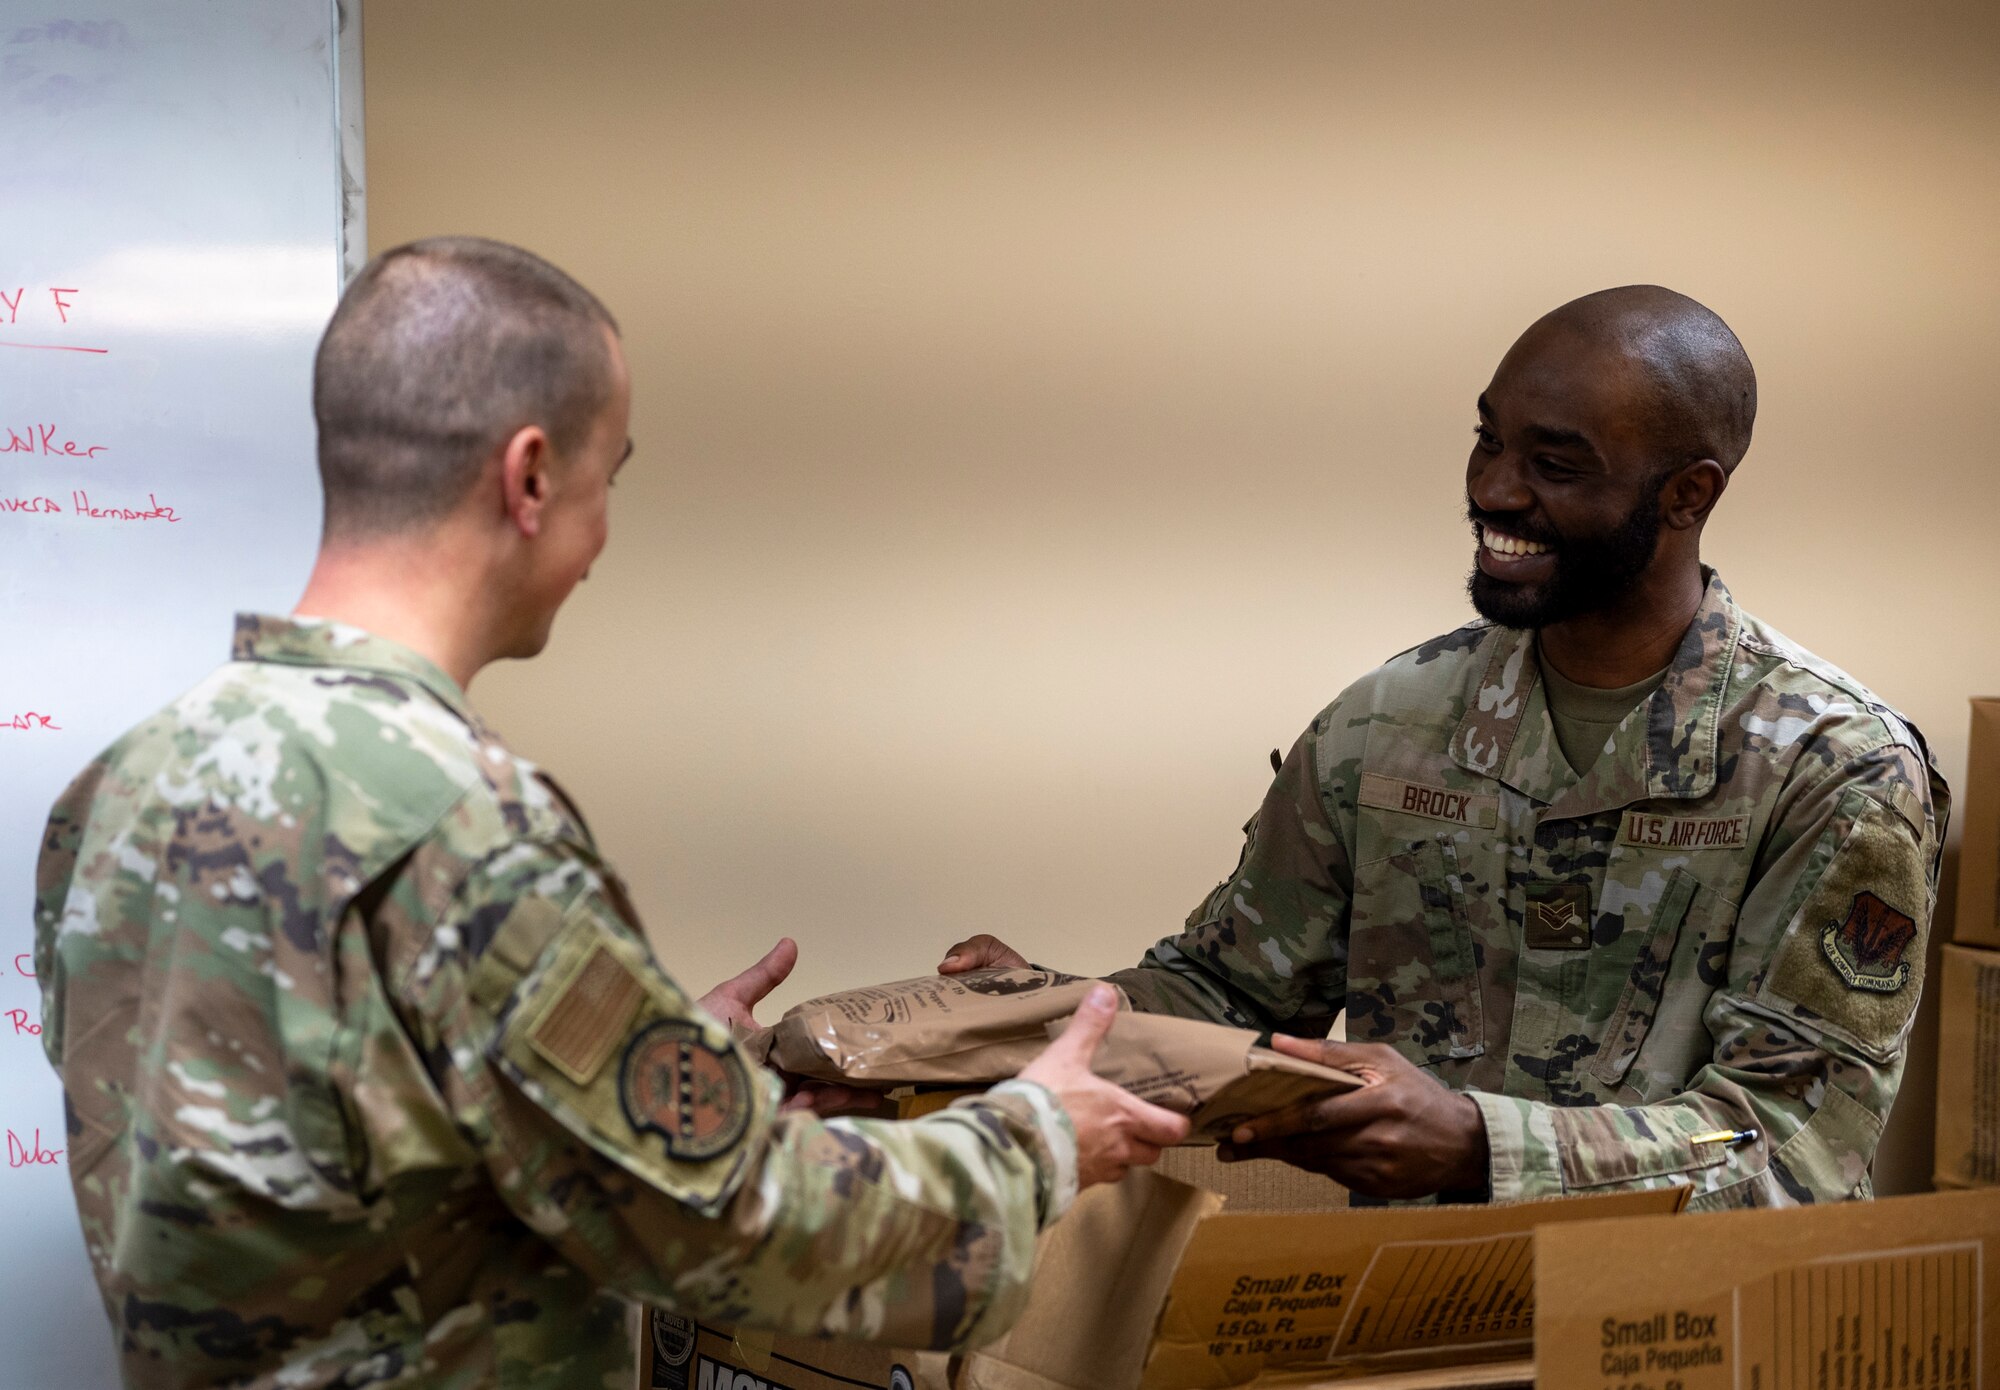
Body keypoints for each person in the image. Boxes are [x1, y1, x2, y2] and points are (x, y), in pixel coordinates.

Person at [35, 237, 1186, 1390]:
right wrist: (1035, 1136)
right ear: (529, 475)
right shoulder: (459, 832)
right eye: (609, 476)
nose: (602, 535)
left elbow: (333, 1131)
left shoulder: (122, 789)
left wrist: (674, 1062)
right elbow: (747, 1228)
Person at [940, 286, 1947, 1210]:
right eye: (1486, 441)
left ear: (1685, 495)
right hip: (1405, 1323)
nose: (1494, 491)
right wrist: (1053, 1017)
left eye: (1553, 465)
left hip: (1678, 1333)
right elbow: (1233, 991)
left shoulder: (1834, 771)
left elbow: (1790, 1151)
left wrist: (1478, 1144)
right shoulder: (1385, 726)